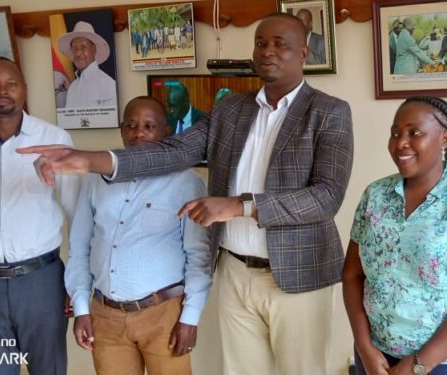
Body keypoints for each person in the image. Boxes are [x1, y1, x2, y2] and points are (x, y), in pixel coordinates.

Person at [19, 12, 354, 375]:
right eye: (261, 43)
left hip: (299, 273)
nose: (268, 51)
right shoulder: (231, 110)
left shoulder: (328, 112)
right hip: (235, 270)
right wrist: (89, 159)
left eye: (280, 44)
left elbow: (326, 197)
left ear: (303, 53)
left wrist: (239, 206)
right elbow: (173, 151)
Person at [343, 96, 447, 375]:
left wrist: (418, 365)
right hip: (378, 360)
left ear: (445, 138)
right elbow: (352, 275)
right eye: (395, 133)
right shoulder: (375, 195)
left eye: (414, 133)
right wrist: (364, 347)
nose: (400, 143)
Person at [65, 96, 211, 375]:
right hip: (105, 314)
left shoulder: (186, 182)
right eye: (131, 125)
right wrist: (82, 308)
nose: (138, 133)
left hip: (163, 314)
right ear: (121, 130)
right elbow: (80, 246)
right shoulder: (97, 179)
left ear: (166, 133)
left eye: (148, 126)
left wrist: (190, 317)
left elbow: (198, 255)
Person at [0, 57, 79, 375]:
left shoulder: (55, 140)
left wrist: (78, 283)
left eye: (10, 84)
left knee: (48, 369)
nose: (2, 91)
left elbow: (77, 216)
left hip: (41, 283)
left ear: (24, 90)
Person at [57, 21, 117, 108]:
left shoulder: (108, 84)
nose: (78, 53)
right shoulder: (73, 88)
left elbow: (110, 120)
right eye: (75, 48)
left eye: (83, 47)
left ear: (94, 49)